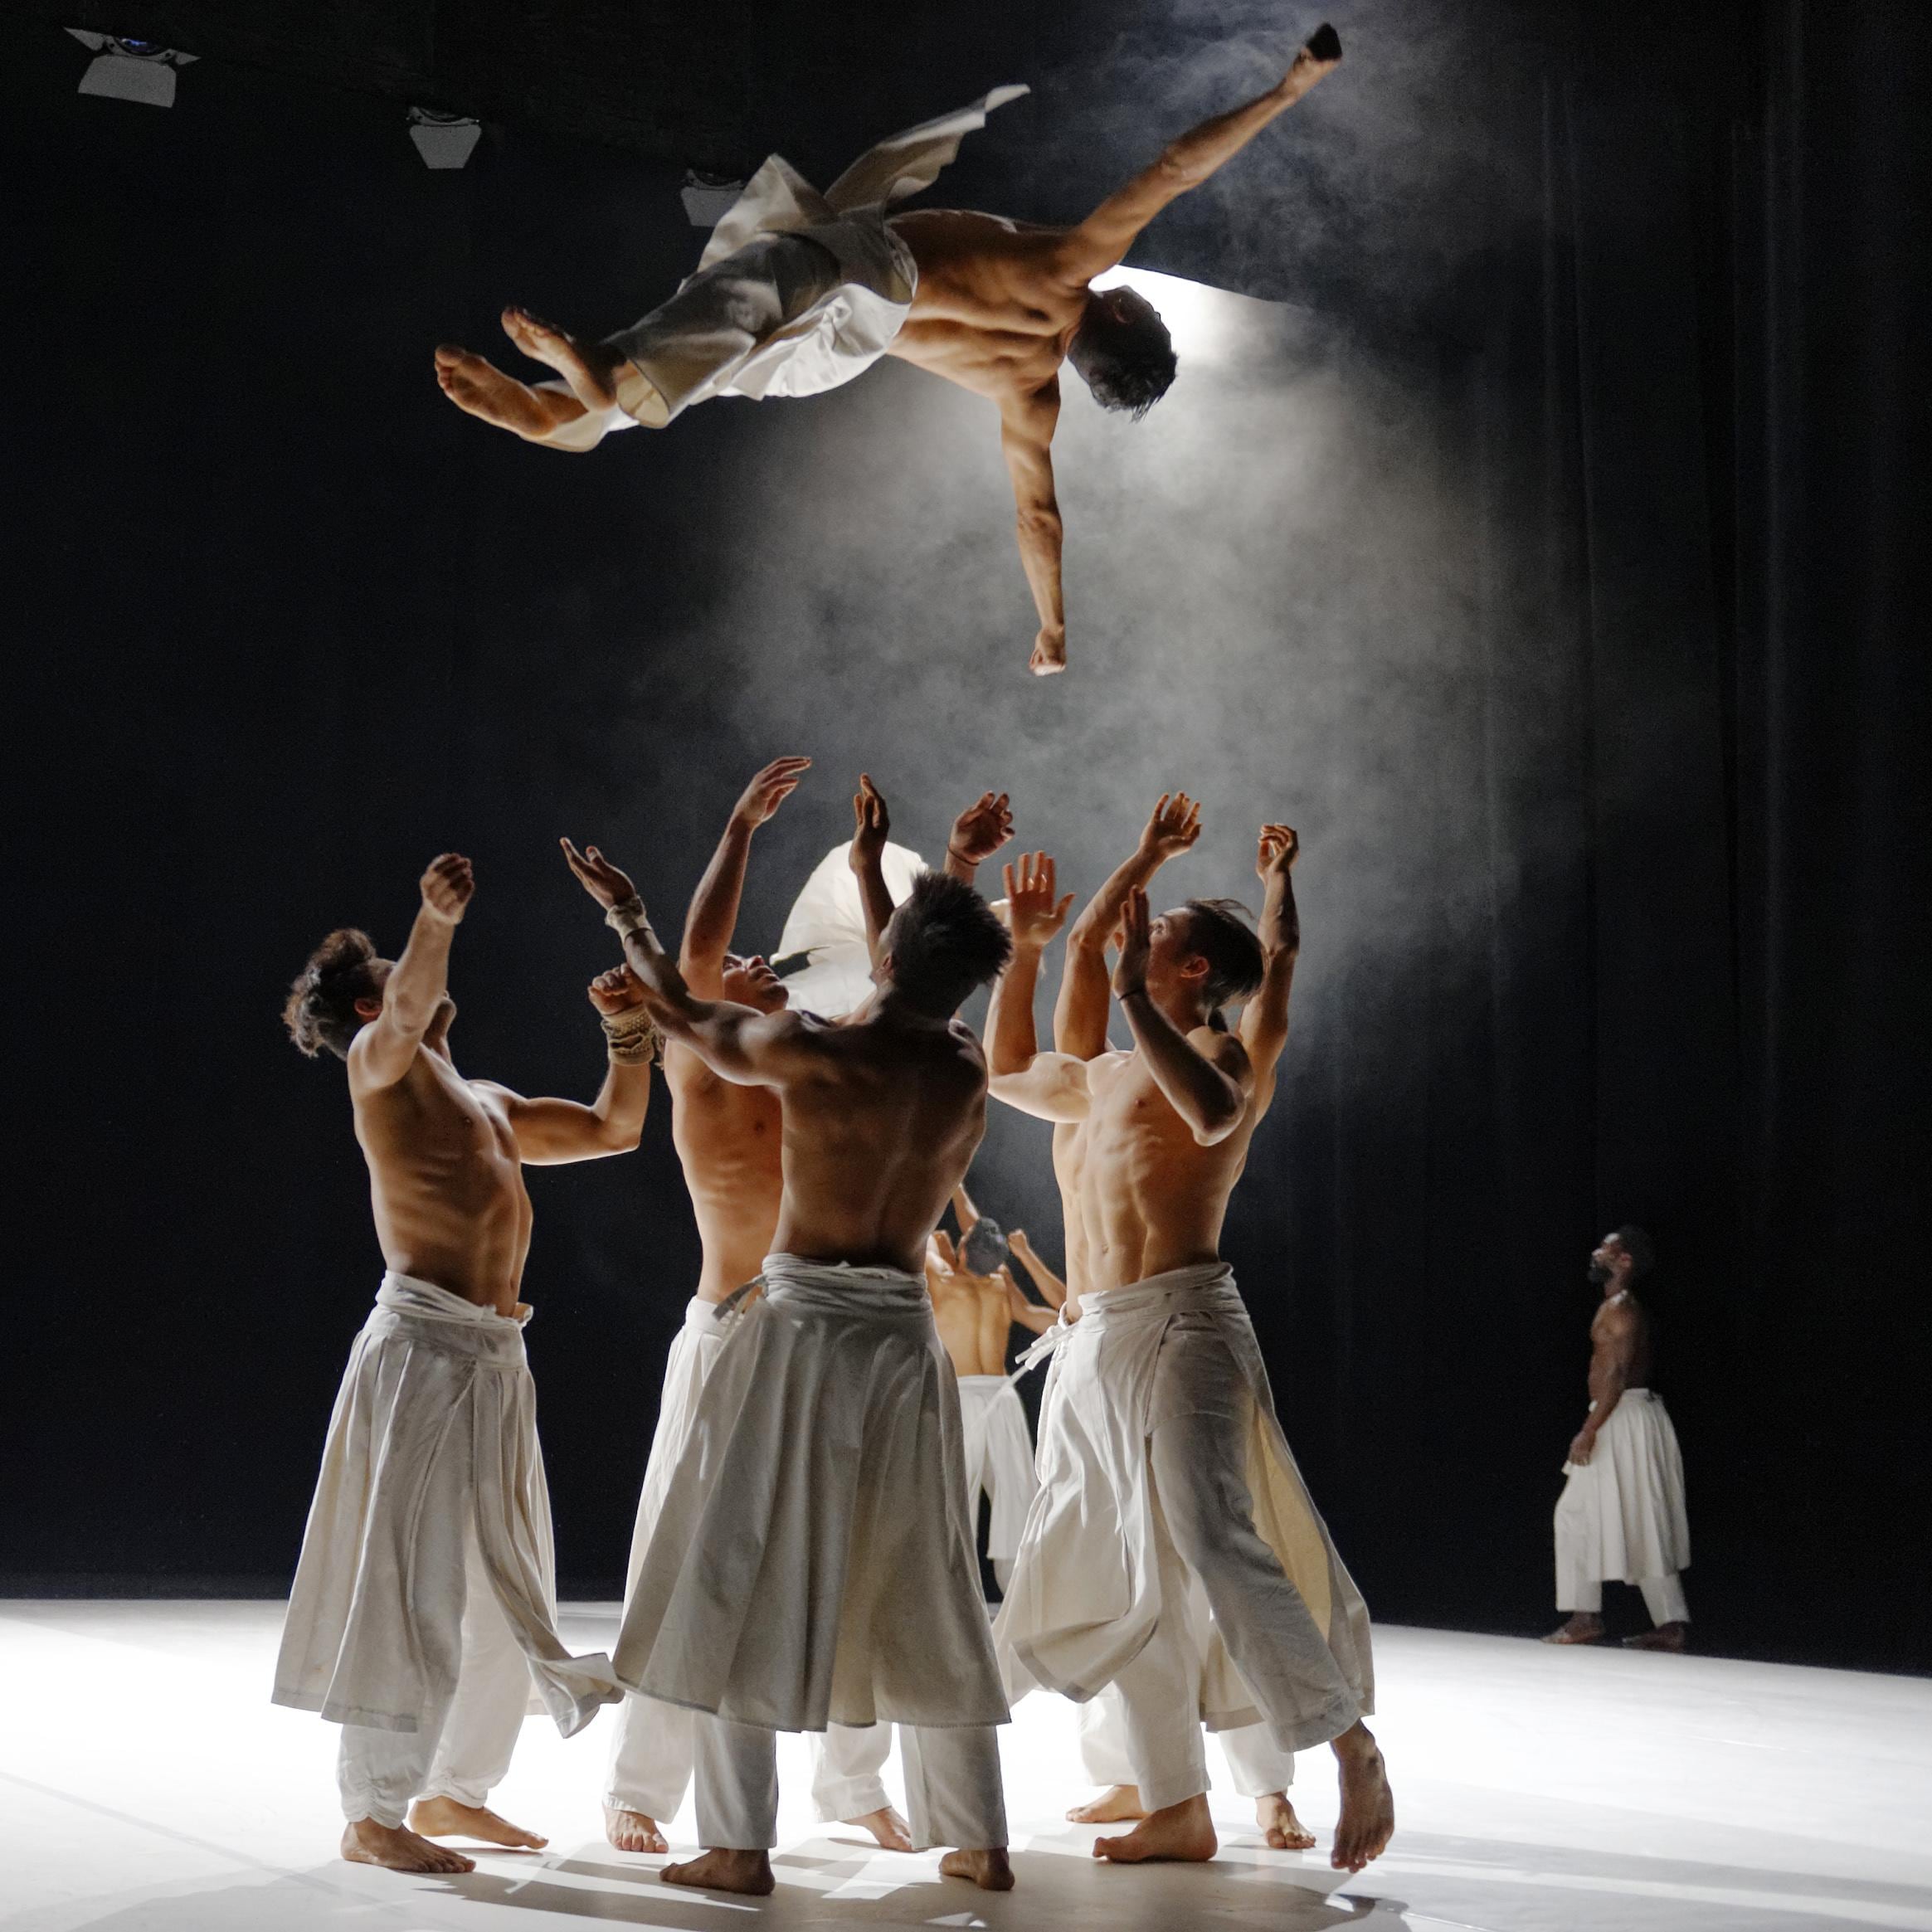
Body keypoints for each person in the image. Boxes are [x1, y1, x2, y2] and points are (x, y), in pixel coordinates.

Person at [433, 26, 1344, 675]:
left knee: (746, 290)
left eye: (1140, 303)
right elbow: (1037, 518)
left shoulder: (1070, 267)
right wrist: (1054, 625)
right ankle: (560, 410)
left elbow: (1172, 171)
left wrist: (1284, 93)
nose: (1137, 285)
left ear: (1116, 319)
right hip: (830, 362)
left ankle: (597, 375)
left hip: (866, 277)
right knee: (694, 360)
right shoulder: (1030, 392)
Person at [560, 813, 1017, 1896]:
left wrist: (624, 908)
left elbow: (674, 1004)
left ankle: (737, 1841)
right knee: (931, 1577)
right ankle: (982, 1836)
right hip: (905, 1335)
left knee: (733, 1571)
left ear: (888, 957)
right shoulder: (963, 1067)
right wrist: (876, 873)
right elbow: (914, 979)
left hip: (805, 1323)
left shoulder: (814, 1055)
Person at [987, 817, 1394, 1873]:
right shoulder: (1106, 1071)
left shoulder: (1222, 1051)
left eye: (1155, 927)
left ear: (1191, 966)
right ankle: (1177, 1803)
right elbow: (1003, 1068)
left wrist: (1278, 886)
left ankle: (1348, 1743)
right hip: (1093, 1340)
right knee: (1122, 1571)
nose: (1135, 927)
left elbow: (1214, 1111)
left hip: (1182, 1322)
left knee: (1214, 1537)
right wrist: (1034, 950)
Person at [273, 854, 645, 1875]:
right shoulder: (380, 1068)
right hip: (426, 1348)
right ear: (372, 999)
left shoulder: (485, 1099)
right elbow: (407, 1006)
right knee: (414, 1584)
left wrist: (628, 1033)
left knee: (504, 1584)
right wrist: (434, 920)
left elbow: (616, 1129)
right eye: (399, 976)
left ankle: (450, 1791)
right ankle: (371, 1810)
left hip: (494, 1356)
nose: (417, 986)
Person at [598, 757, 919, 1856]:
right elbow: (690, 961)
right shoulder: (700, 1064)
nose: (754, 963)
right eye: (741, 967)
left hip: (815, 1334)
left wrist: (878, 865)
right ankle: (641, 1786)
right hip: (729, 1326)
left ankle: (853, 1781)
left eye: (762, 960)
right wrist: (736, 825)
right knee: (684, 1553)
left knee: (852, 1550)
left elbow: (894, 983)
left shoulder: (818, 1063)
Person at [1545, 1226, 1691, 1650]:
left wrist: (1589, 1431)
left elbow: (1615, 1374)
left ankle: (1588, 1618)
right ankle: (1659, 1623)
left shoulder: (1621, 1312)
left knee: (1580, 1514)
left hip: (1621, 1417)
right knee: (1616, 1516)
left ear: (1624, 1260)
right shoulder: (1613, 1307)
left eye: (1605, 1248)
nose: (1596, 1253)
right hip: (1622, 1415)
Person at [923, 1185, 1062, 1593]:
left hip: (964, 1399)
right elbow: (1046, 1317)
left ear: (963, 1252)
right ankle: (1025, 1604)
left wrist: (942, 1178)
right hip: (1003, 1399)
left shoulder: (940, 1277)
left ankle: (953, 1609)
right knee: (1016, 1508)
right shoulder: (1001, 1281)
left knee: (953, 1511)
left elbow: (924, 1233)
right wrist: (958, 1188)